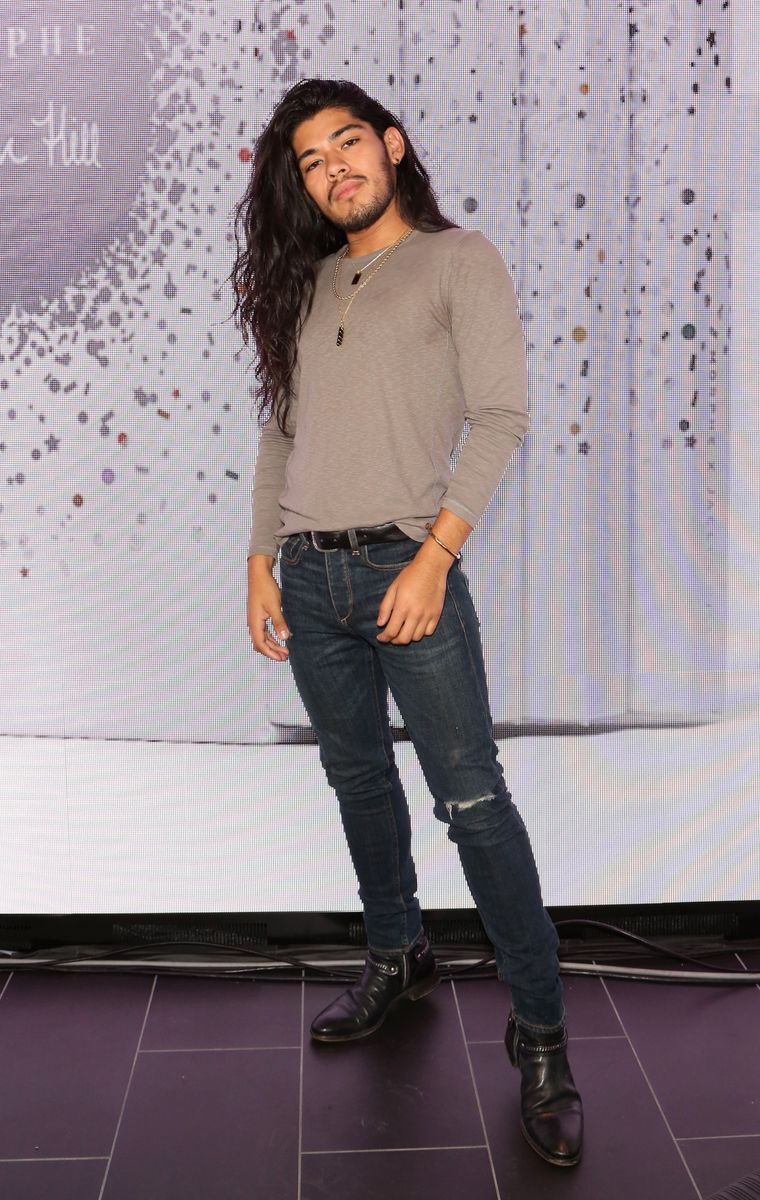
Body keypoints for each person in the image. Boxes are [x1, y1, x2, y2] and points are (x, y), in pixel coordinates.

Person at [233, 78, 583, 1169]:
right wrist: (257, 559)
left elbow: (501, 415)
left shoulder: (456, 259)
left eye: (347, 146)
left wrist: (436, 556)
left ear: (390, 145)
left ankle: (541, 1036)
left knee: (473, 802)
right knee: (358, 784)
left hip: (407, 568)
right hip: (310, 580)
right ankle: (398, 954)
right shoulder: (308, 282)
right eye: (310, 163)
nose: (333, 170)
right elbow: (282, 434)